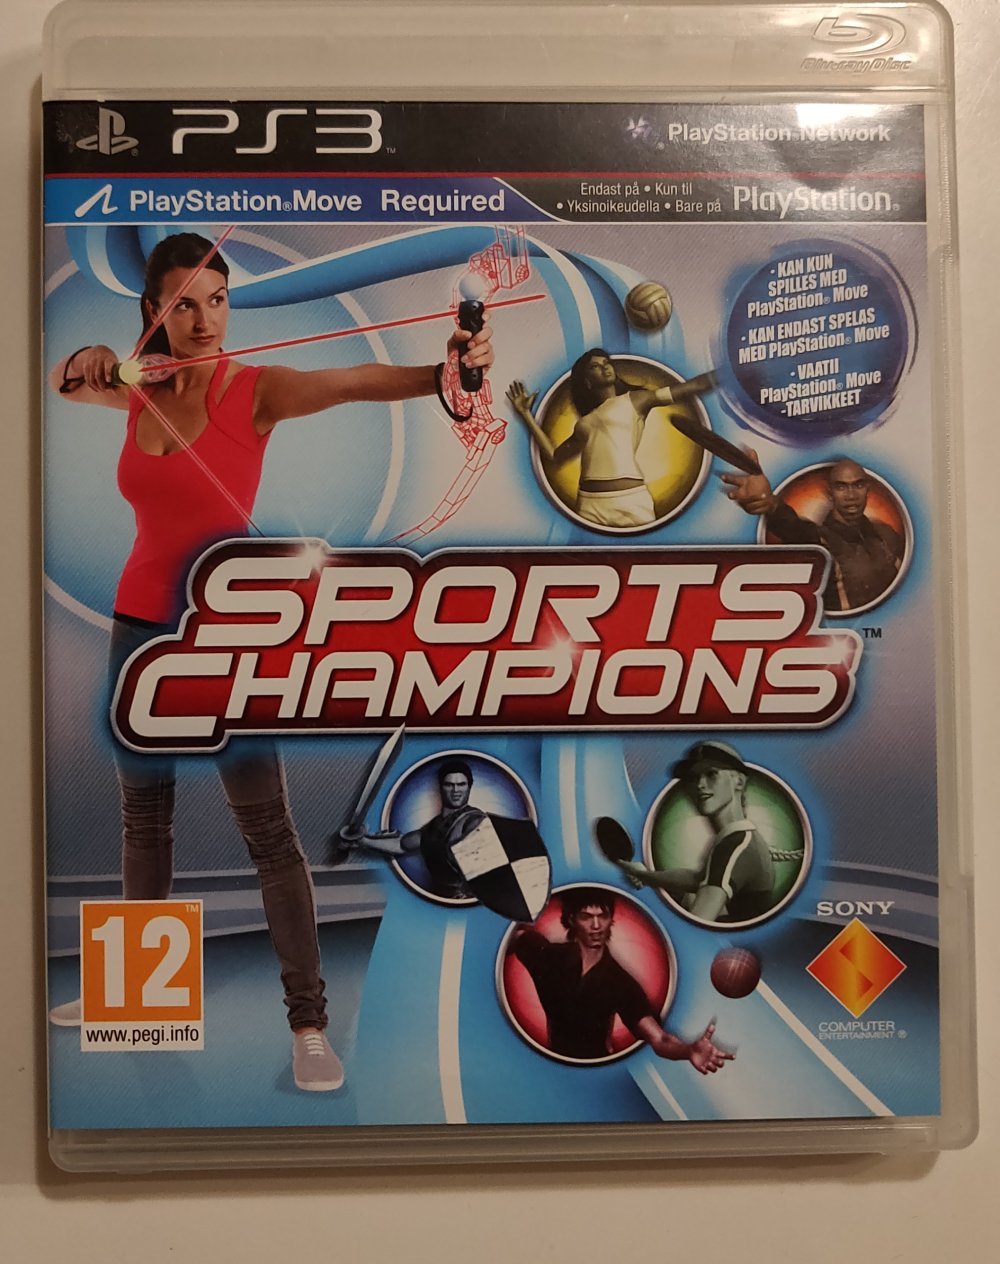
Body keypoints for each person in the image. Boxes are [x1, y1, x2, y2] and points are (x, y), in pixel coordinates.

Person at [47, 232, 494, 1092]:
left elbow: (356, 381)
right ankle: (133, 996)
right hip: (139, 627)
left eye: (217, 301)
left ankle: (309, 1026)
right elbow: (65, 383)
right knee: (144, 816)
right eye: (184, 304)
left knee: (268, 833)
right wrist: (88, 360)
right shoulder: (143, 388)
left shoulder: (255, 390)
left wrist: (447, 374)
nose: (205, 320)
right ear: (153, 310)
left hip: (225, 633)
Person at [510, 887, 732, 1068]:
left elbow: (659, 1038)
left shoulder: (619, 982)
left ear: (610, 919)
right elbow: (514, 935)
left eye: (603, 916)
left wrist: (688, 1051)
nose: (596, 926)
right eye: (586, 917)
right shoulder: (547, 956)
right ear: (572, 919)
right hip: (551, 1067)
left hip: (596, 1071)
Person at [506, 349, 714, 529]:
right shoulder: (584, 423)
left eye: (606, 362)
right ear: (587, 381)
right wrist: (525, 414)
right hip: (589, 505)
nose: (604, 367)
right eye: (595, 366)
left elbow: (693, 386)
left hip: (631, 501)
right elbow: (554, 455)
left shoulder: (636, 399)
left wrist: (728, 371)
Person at [722, 452, 904, 612]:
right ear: (830, 493)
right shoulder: (819, 540)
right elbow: (794, 528)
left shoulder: (885, 534)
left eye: (858, 485)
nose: (851, 495)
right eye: (841, 487)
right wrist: (771, 504)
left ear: (867, 489)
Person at [624, 742, 777, 925]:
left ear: (739, 781)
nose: (700, 785)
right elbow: (698, 879)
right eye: (693, 777)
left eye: (711, 774)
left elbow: (697, 924)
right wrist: (646, 876)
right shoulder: (739, 839)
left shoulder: (735, 847)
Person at [341, 757, 482, 901]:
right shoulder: (433, 827)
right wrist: (362, 841)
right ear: (440, 787)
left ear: (469, 787)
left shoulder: (475, 820)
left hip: (467, 901)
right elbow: (401, 845)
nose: (456, 790)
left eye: (461, 784)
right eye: (449, 785)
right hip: (437, 899)